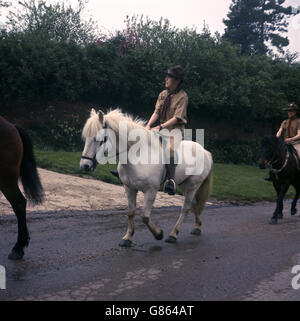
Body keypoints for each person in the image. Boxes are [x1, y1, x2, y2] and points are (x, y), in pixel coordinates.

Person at [111, 65, 188, 195]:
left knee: (169, 151)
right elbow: (156, 112)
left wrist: (161, 126)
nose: (166, 79)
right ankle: (123, 171)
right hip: (161, 129)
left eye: (169, 77)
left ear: (177, 80)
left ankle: (170, 181)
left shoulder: (183, 97)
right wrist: (147, 126)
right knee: (134, 139)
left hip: (175, 131)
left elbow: (176, 118)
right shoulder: (163, 94)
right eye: (167, 76)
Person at [265, 102, 300, 181]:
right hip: (285, 143)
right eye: (289, 111)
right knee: (274, 154)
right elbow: (279, 132)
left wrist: (291, 139)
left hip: (296, 143)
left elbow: (299, 135)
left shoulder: (299, 121)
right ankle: (272, 174)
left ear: (295, 112)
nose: (290, 112)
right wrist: (275, 139)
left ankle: (298, 172)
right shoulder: (285, 122)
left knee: (299, 155)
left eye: (292, 111)